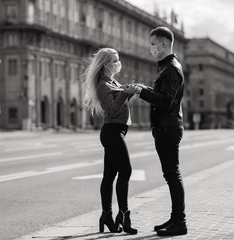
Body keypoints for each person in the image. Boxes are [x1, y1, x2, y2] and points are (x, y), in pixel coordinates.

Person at [124, 26, 187, 236]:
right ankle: (175, 218)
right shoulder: (165, 67)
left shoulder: (171, 69)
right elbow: (162, 95)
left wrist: (142, 92)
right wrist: (145, 88)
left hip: (168, 127)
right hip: (165, 126)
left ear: (163, 44)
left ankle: (180, 222)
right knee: (170, 174)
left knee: (172, 175)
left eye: (153, 44)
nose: (151, 48)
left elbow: (166, 101)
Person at [82, 48, 137, 235]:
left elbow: (119, 102)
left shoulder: (111, 82)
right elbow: (111, 111)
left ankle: (106, 215)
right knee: (126, 170)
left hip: (117, 130)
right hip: (112, 132)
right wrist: (124, 93)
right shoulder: (102, 86)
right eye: (115, 60)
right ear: (106, 64)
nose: (118, 63)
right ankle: (124, 215)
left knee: (109, 176)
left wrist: (129, 91)